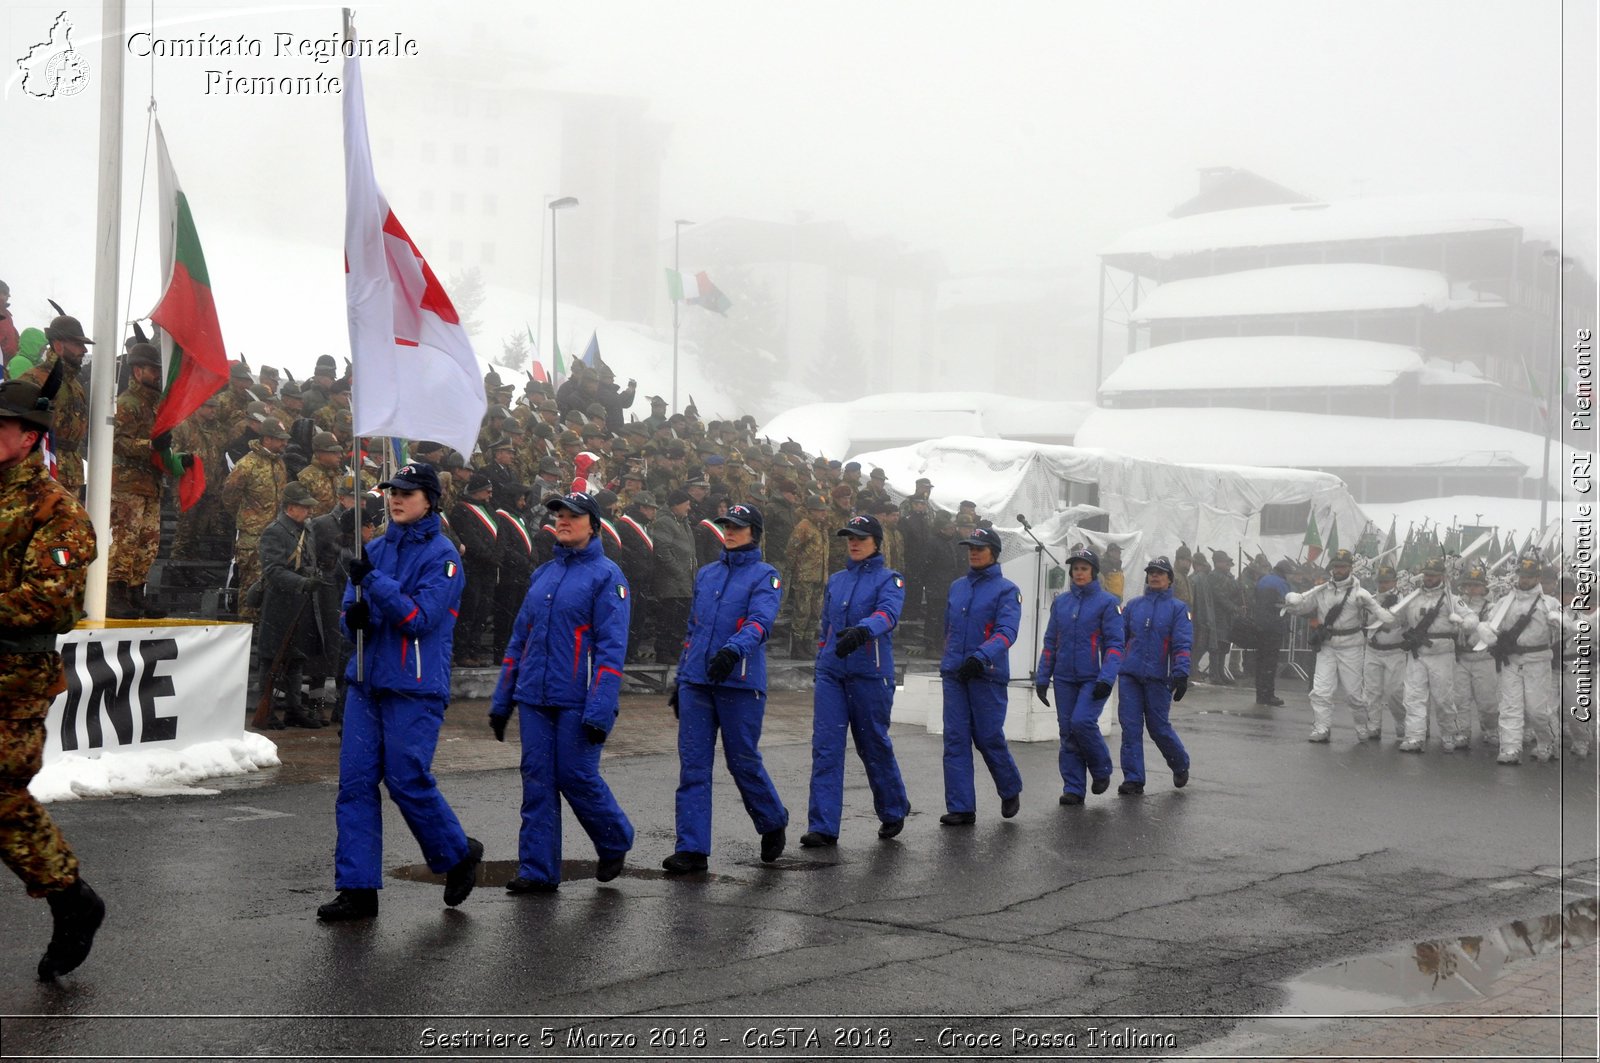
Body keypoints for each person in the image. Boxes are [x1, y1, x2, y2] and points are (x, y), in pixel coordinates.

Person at [317, 462, 482, 921]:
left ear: (430, 499)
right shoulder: (374, 547)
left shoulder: (444, 556)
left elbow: (418, 620)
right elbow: (353, 613)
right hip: (367, 682)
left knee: (407, 780)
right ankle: (357, 888)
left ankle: (457, 854)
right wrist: (353, 617)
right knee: (354, 785)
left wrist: (371, 582)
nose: (395, 499)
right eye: (393, 491)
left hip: (414, 684)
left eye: (407, 493)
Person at [0, 374, 106, 980]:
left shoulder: (57, 511)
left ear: (29, 436)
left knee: (1, 798)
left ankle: (72, 898)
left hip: (14, 677)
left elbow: (48, 600)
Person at [488, 491, 634, 892]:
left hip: (579, 699)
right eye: (559, 515)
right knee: (536, 780)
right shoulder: (543, 575)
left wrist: (600, 709)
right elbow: (520, 640)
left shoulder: (608, 576)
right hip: (534, 698)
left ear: (594, 524)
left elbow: (611, 648)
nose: (564, 521)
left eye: (574, 516)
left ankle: (614, 838)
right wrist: (503, 700)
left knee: (576, 777)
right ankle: (537, 870)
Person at [663, 503, 788, 873]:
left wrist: (733, 650)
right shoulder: (707, 574)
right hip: (698, 684)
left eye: (738, 526)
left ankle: (772, 820)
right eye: (727, 525)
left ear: (754, 532)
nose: (730, 531)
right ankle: (692, 849)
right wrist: (682, 676)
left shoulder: (767, 576)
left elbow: (760, 621)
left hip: (740, 682)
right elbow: (693, 629)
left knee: (742, 762)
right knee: (694, 765)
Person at [802, 514, 910, 847]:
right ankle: (823, 826)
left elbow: (888, 614)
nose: (853, 542)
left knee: (873, 745)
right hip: (833, 674)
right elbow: (826, 627)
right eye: (850, 537)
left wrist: (864, 630)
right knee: (826, 748)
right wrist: (824, 655)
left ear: (876, 542)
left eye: (861, 537)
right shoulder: (836, 580)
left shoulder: (890, 579)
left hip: (869, 674)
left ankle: (893, 809)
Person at [939, 526, 1023, 825]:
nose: (973, 551)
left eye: (980, 547)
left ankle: (1010, 787)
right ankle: (961, 807)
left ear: (994, 552)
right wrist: (949, 659)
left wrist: (981, 656)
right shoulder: (957, 586)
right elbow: (948, 628)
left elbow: (1007, 632)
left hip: (987, 674)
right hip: (955, 674)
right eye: (970, 547)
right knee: (955, 739)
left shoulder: (1007, 590)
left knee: (987, 737)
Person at [1035, 547, 1123, 805]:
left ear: (1093, 572)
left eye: (1084, 568)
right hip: (1063, 677)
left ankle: (1101, 769)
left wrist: (1106, 678)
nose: (1079, 573)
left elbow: (1116, 645)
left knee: (1082, 722)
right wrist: (1043, 678)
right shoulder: (1061, 602)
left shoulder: (1108, 603)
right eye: (1075, 569)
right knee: (1067, 732)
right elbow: (1051, 642)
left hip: (1092, 677)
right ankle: (1073, 787)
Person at [1284, 549, 1394, 743]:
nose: (1338, 570)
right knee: (1320, 691)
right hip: (1327, 646)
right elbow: (1303, 607)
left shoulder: (1361, 593)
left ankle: (1362, 726)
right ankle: (1321, 727)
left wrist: (1370, 604)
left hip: (1351, 647)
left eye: (1342, 566)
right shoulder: (1321, 590)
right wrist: (1292, 601)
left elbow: (1387, 619)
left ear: (1350, 568)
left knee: (1354, 695)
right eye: (1335, 566)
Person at [1467, 556, 1568, 765]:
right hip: (1511, 660)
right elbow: (1491, 623)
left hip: (1538, 661)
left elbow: (1564, 628)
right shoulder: (1506, 602)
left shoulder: (1549, 603)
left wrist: (1558, 622)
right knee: (1510, 706)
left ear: (1537, 577)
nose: (1525, 580)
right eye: (1522, 575)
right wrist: (1486, 632)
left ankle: (1547, 742)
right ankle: (1510, 748)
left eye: (1530, 577)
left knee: (1537, 710)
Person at [107, 342, 182, 619]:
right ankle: (114, 595)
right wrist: (149, 445)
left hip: (149, 484)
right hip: (128, 485)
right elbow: (117, 442)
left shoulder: (154, 405)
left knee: (147, 542)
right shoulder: (128, 402)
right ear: (138, 371)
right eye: (153, 370)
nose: (158, 375)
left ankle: (136, 593)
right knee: (126, 541)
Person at [1115, 556, 1192, 794]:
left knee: (1158, 727)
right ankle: (1134, 779)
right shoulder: (1134, 606)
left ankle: (1180, 764)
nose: (1155, 576)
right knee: (1130, 727)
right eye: (1151, 572)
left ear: (1170, 579)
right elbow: (1119, 639)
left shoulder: (1178, 609)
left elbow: (1182, 644)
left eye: (1160, 572)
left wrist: (1181, 673)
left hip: (1159, 677)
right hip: (1130, 676)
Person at [255, 482, 326, 730]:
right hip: (281, 603)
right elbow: (273, 571)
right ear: (290, 507)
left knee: (296, 658)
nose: (308, 512)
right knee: (272, 660)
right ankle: (267, 710)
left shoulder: (305, 529)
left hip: (301, 601)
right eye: (304, 507)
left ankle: (294, 709)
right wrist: (303, 582)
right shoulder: (275, 531)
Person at [1388, 557, 1463, 753]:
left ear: (1442, 576)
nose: (1429, 578)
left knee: (1443, 698)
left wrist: (1462, 620)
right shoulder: (1412, 597)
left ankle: (1448, 733)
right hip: (1417, 652)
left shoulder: (1451, 600)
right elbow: (1395, 619)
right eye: (1427, 575)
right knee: (1413, 696)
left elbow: (1471, 618)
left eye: (1433, 575)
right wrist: (1381, 612)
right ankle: (1415, 736)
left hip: (1442, 654)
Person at [1452, 565, 1500, 748]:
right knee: (1460, 699)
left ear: (1484, 587)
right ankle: (1462, 731)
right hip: (1461, 658)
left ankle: (1490, 729)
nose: (1472, 589)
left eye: (1476, 585)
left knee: (1487, 700)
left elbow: (1495, 631)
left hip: (1484, 658)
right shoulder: (1456, 606)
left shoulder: (1492, 608)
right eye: (1468, 585)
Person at [649, 488, 697, 665]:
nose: (689, 508)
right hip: (670, 585)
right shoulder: (665, 522)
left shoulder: (683, 522)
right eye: (687, 504)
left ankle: (676, 651)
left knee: (680, 621)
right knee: (667, 621)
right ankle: (663, 652)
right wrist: (679, 571)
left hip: (684, 584)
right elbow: (662, 551)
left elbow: (690, 551)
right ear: (676, 505)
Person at [1362, 565, 1408, 742]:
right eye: (1381, 582)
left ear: (1395, 582)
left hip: (1395, 650)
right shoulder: (1370, 600)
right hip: (1373, 650)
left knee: (1395, 692)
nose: (1383, 585)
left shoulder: (1404, 600)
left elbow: (1407, 622)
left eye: (1387, 581)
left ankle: (1402, 721)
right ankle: (1373, 725)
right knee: (1372, 691)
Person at [1251, 559, 1292, 706]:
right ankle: (1268, 695)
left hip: (1259, 625)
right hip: (1273, 627)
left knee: (1261, 661)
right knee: (1270, 662)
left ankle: (1260, 695)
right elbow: (1289, 602)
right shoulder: (1281, 583)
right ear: (1284, 572)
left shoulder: (1263, 579)